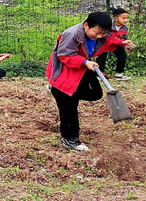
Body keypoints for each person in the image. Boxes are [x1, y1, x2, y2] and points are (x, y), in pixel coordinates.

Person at [46, 12, 134, 152]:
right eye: (97, 33)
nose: (99, 36)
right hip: (64, 72)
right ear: (86, 25)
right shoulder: (72, 34)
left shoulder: (100, 34)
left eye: (102, 34)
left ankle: (60, 93)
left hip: (81, 68)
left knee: (96, 93)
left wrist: (121, 43)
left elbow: (108, 41)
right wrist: (84, 61)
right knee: (69, 108)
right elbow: (64, 54)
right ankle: (70, 140)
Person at [96, 8, 136, 81]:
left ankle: (119, 74)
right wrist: (122, 42)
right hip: (104, 44)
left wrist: (127, 45)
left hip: (115, 45)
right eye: (124, 18)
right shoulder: (108, 25)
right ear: (116, 18)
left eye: (127, 18)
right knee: (101, 58)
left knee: (122, 55)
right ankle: (99, 74)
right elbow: (107, 38)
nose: (126, 20)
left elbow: (123, 39)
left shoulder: (124, 28)